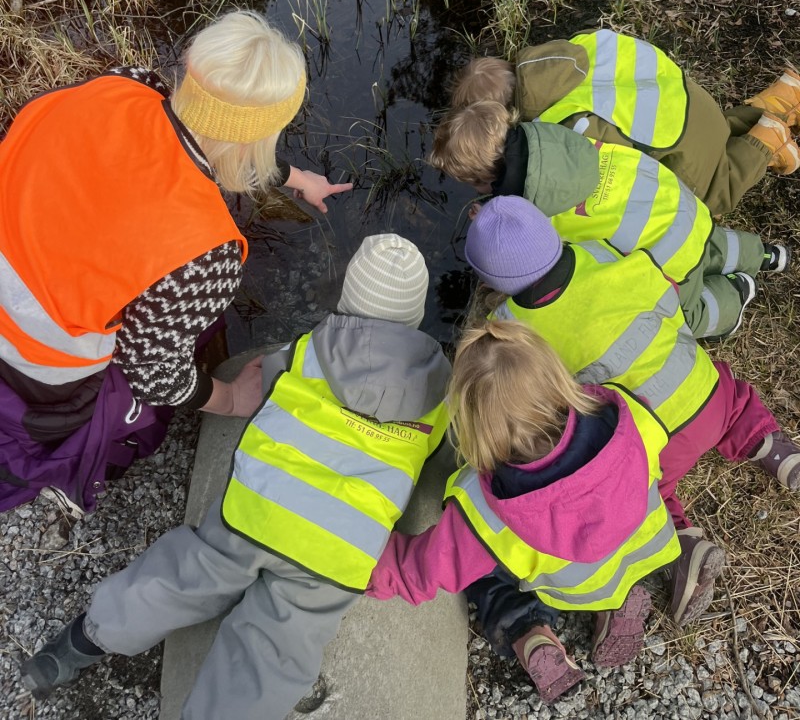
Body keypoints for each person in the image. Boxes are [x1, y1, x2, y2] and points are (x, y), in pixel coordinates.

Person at [20, 233, 450, 720]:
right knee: (275, 651)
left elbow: (267, 381)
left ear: (348, 304)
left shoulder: (306, 350)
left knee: (189, 573)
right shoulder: (443, 395)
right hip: (337, 551)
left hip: (258, 508)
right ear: (415, 320)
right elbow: (436, 452)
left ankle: (79, 645)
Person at [0, 11, 351, 515]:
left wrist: (295, 177)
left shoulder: (117, 88)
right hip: (32, 361)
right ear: (261, 135)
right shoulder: (206, 253)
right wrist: (230, 400)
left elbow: (198, 134)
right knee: (146, 391)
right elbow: (153, 371)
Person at [463, 196, 800, 626]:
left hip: (653, 441)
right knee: (730, 396)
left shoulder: (513, 329)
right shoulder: (600, 253)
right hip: (705, 397)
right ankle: (773, 449)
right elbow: (669, 305)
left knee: (646, 489)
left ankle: (684, 543)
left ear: (491, 280)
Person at [367, 319, 680, 703]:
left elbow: (420, 570)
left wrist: (351, 558)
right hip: (640, 546)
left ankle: (529, 633)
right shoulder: (628, 413)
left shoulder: (485, 512)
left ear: (471, 424)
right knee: (606, 552)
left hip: (573, 586)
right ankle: (617, 602)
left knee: (485, 573)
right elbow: (661, 466)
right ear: (556, 376)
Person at [430, 101, 789, 338]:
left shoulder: (538, 212)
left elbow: (546, 256)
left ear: (481, 180)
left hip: (666, 253)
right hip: (680, 205)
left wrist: (498, 221)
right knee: (713, 246)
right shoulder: (557, 138)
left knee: (684, 316)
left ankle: (735, 296)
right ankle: (765, 254)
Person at [446, 29, 800, 215]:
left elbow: (609, 168)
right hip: (689, 101)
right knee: (717, 132)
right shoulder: (569, 54)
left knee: (715, 192)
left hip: (673, 145)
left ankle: (765, 142)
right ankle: (777, 102)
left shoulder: (563, 125)